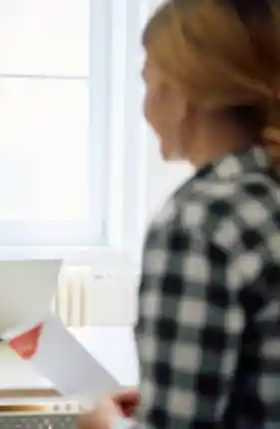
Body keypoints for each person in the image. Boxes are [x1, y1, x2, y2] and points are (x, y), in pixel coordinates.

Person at [80, 0, 280, 427]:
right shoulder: (265, 196)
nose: (146, 105)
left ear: (183, 91)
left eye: (148, 81)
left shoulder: (198, 223)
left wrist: (106, 424)